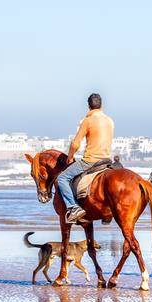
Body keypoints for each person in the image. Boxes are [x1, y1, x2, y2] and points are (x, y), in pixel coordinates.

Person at [57, 93, 115, 223]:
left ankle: (73, 207)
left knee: (62, 178)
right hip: (106, 160)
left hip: (91, 161)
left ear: (89, 106)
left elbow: (75, 143)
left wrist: (70, 157)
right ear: (101, 105)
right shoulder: (110, 121)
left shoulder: (87, 120)